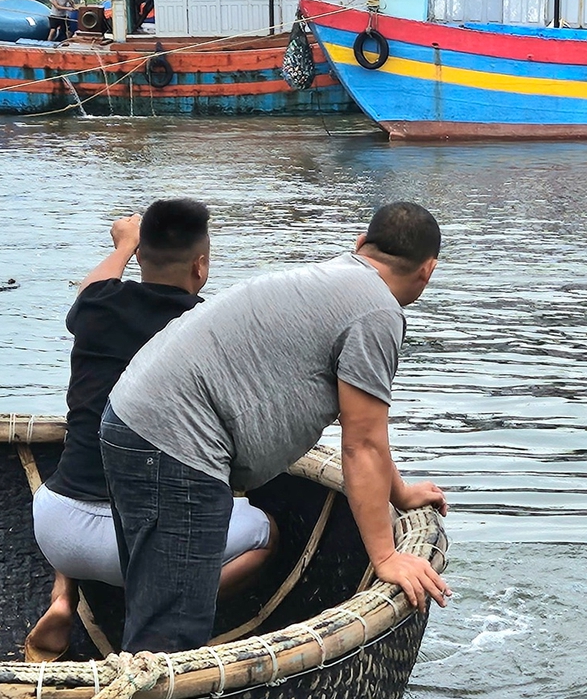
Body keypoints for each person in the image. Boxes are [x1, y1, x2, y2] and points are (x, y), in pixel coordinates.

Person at [102, 201, 451, 653]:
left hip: (127, 420)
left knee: (155, 602)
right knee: (171, 635)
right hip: (176, 443)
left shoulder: (330, 278)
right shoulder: (377, 313)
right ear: (428, 270)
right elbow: (360, 444)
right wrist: (385, 557)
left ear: (361, 244)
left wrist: (399, 494)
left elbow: (365, 434)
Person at [23, 200, 277, 661]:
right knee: (263, 531)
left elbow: (92, 286)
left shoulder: (98, 308)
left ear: (140, 257)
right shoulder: (208, 329)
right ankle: (158, 600)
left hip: (57, 528)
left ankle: (63, 596)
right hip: (138, 550)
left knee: (80, 454)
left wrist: (124, 244)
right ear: (201, 266)